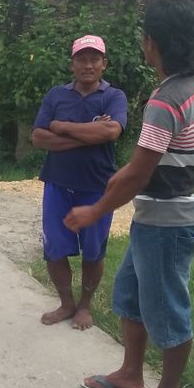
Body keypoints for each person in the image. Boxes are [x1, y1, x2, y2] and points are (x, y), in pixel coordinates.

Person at [63, 0, 194, 388]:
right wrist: (125, 173)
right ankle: (130, 375)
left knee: (167, 309)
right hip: (158, 216)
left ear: (152, 42)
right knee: (129, 297)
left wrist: (95, 210)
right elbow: (158, 156)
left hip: (168, 221)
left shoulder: (166, 99)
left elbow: (140, 174)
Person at [30, 35, 127, 330]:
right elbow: (37, 137)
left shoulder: (114, 97)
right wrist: (87, 136)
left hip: (97, 187)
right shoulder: (56, 96)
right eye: (81, 59)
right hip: (58, 184)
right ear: (72, 65)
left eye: (94, 59)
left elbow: (111, 132)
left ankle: (84, 306)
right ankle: (66, 303)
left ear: (103, 64)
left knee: (93, 250)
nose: (88, 65)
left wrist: (61, 127)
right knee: (55, 248)